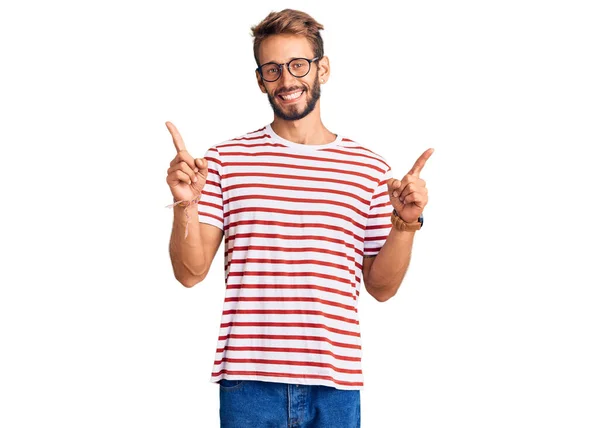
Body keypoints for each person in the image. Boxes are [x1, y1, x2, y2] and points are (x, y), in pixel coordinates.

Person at [165, 8, 433, 428]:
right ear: (259, 80)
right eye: (272, 70)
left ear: (322, 69)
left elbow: (381, 288)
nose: (287, 80)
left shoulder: (369, 170)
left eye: (298, 65)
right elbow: (190, 272)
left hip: (335, 382)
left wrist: (405, 224)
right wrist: (185, 202)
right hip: (250, 383)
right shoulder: (224, 161)